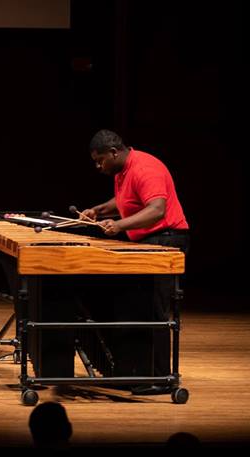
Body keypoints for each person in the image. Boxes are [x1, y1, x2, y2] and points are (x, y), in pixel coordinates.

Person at [79, 129, 190, 394]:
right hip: (149, 241)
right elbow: (126, 200)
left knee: (154, 310)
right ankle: (133, 369)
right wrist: (99, 210)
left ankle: (161, 377)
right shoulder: (123, 171)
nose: (98, 166)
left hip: (166, 240)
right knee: (134, 305)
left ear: (115, 152)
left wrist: (118, 226)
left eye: (100, 160)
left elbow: (156, 210)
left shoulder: (145, 168)